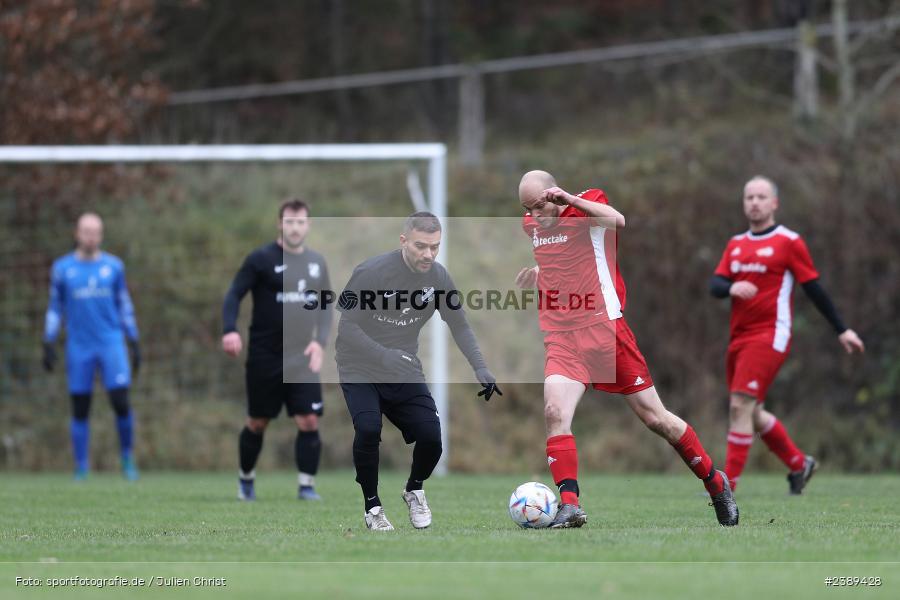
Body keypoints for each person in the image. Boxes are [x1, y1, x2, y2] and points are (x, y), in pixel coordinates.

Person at [514, 170, 738, 528]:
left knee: (655, 419)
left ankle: (715, 482)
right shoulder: (533, 225)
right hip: (562, 335)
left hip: (605, 330)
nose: (534, 216)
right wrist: (538, 279)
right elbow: (562, 267)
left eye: (539, 206)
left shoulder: (586, 205)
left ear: (552, 194)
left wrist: (570, 199)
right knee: (555, 412)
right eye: (527, 209)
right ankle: (570, 505)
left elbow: (617, 221)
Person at [335, 212, 501, 531]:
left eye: (434, 247)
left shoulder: (438, 278)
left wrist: (480, 367)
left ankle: (414, 489)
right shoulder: (370, 273)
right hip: (360, 365)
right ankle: (373, 508)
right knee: (368, 428)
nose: (428, 254)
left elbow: (460, 325)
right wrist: (383, 357)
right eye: (421, 246)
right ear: (404, 241)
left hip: (402, 368)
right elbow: (346, 329)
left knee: (431, 438)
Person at [710, 176, 864, 494]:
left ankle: (726, 487)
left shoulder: (788, 241)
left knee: (739, 406)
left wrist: (842, 329)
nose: (754, 202)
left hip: (770, 334)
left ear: (774, 203)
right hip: (738, 337)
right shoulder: (736, 243)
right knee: (751, 412)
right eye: (749, 197)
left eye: (761, 197)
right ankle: (798, 464)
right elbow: (715, 286)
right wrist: (731, 287)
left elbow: (814, 288)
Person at [222, 199, 333, 501]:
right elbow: (234, 295)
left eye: (300, 222)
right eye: (289, 221)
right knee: (258, 421)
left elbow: (326, 307)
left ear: (307, 225)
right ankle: (246, 480)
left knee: (309, 420)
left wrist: (319, 342)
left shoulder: (317, 263)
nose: (295, 227)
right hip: (265, 356)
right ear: (279, 224)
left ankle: (306, 486)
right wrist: (229, 329)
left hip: (302, 355)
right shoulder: (260, 259)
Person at [43, 212, 141, 480]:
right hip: (79, 345)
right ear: (77, 233)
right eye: (86, 231)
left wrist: (133, 339)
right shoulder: (62, 269)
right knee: (80, 406)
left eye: (95, 231)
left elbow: (124, 304)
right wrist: (48, 339)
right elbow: (55, 306)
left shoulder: (114, 267)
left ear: (101, 234)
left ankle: (127, 460)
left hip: (111, 343)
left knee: (121, 401)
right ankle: (81, 466)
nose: (90, 236)